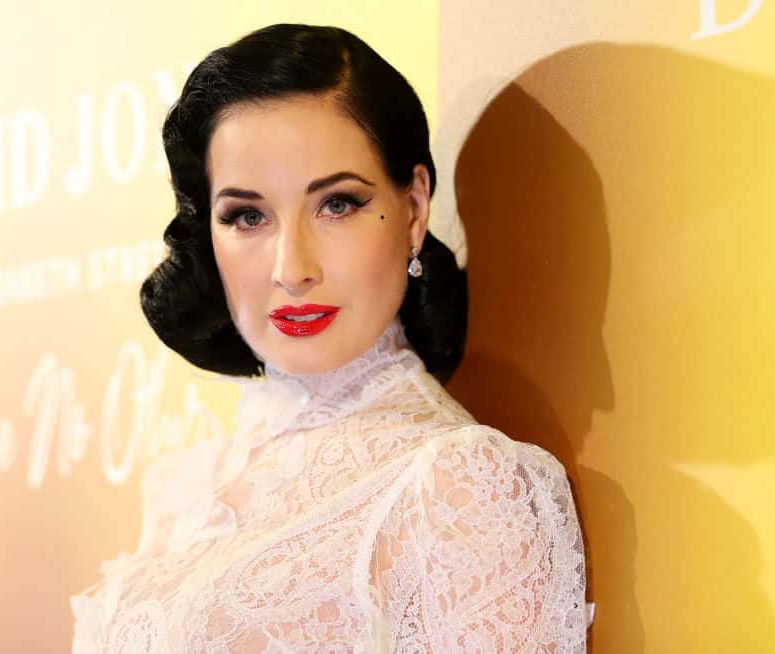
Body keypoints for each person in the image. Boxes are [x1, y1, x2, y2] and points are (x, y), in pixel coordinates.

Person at [70, 23, 588, 653]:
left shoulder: (457, 485)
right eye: (247, 216)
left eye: (337, 204)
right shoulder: (188, 486)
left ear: (414, 209)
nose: (292, 269)